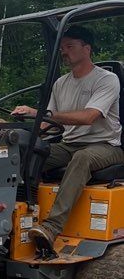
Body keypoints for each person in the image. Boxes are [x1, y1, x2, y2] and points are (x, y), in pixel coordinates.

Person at [10, 24, 124, 253]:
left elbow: (89, 117)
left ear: (87, 49)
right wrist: (23, 133)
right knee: (26, 154)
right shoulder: (61, 83)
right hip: (69, 144)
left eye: (69, 46)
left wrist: (39, 113)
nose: (64, 51)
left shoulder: (106, 79)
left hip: (106, 146)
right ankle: (19, 215)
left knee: (83, 158)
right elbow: (49, 122)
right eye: (62, 47)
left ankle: (51, 227)